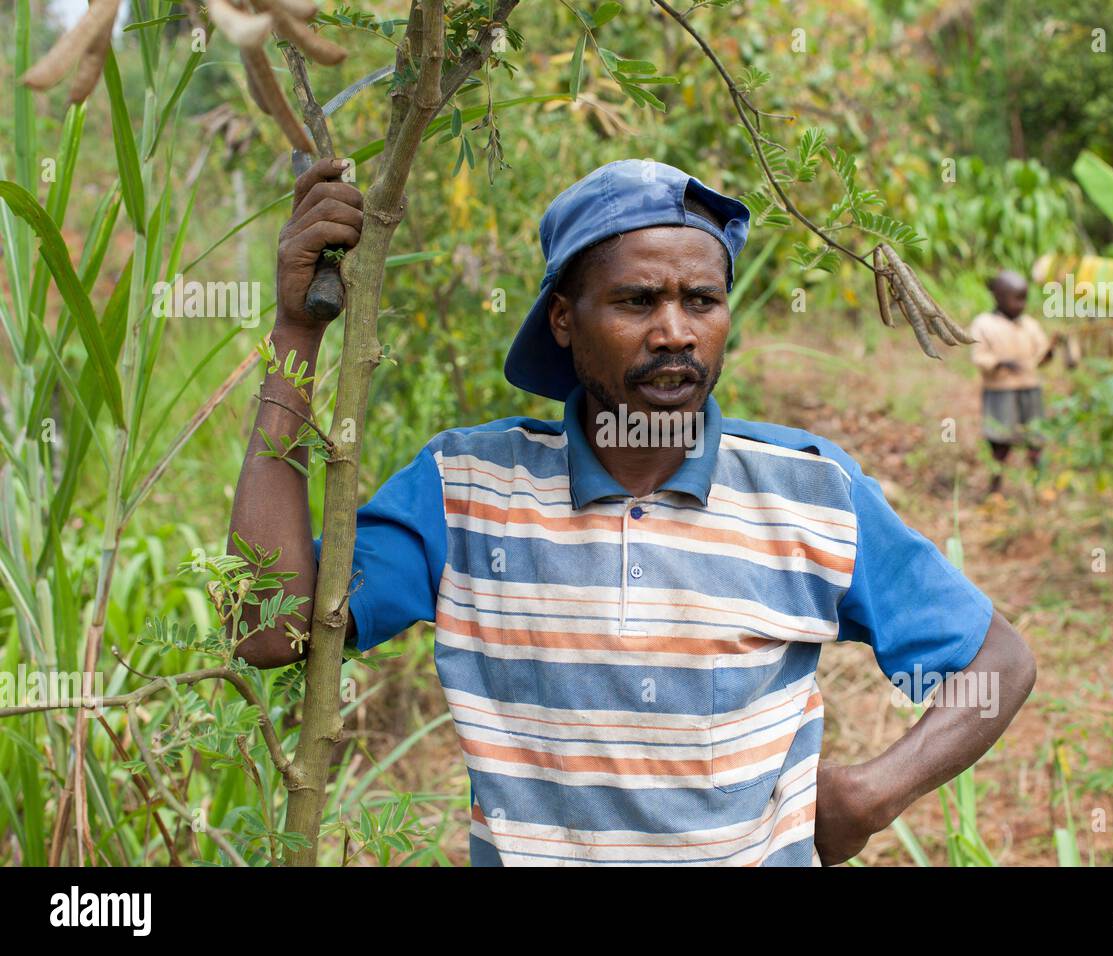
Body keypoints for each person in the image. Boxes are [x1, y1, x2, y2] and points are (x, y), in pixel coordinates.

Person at [230, 157, 1036, 866]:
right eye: (637, 300)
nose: (676, 333)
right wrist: (297, 332)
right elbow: (267, 631)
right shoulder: (464, 490)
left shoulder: (810, 491)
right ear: (562, 320)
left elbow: (996, 663)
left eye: (702, 300)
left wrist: (869, 795)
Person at [969, 271, 1053, 499]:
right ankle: (995, 490)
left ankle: (1039, 484)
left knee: (1035, 438)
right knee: (999, 441)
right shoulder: (984, 324)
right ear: (998, 297)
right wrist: (1000, 363)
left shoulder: (1030, 325)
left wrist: (1050, 353)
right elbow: (979, 356)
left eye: (1024, 298)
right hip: (1000, 391)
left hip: (1030, 388)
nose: (1021, 304)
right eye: (1016, 298)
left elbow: (1041, 352)